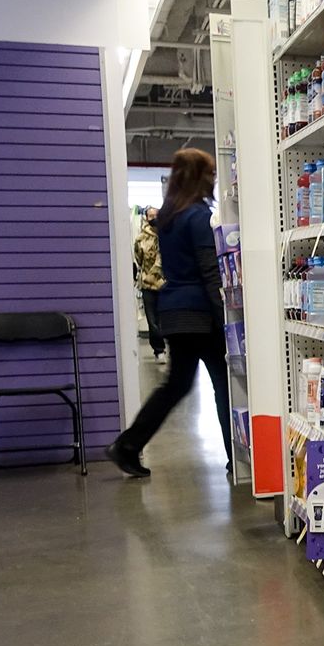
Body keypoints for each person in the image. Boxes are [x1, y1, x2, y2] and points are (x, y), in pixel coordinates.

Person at [106, 149, 231, 478]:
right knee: (224, 384)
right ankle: (238, 459)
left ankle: (128, 445)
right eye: (210, 173)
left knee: (176, 384)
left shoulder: (169, 217)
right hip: (199, 314)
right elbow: (209, 272)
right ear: (198, 177)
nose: (214, 178)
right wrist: (227, 321)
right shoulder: (198, 216)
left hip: (173, 309)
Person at [132, 205, 166, 359]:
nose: (154, 218)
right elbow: (138, 259)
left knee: (165, 319)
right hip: (148, 284)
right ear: (146, 217)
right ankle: (159, 350)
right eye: (151, 216)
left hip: (166, 284)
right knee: (152, 321)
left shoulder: (168, 234)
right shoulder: (141, 238)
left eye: (156, 215)